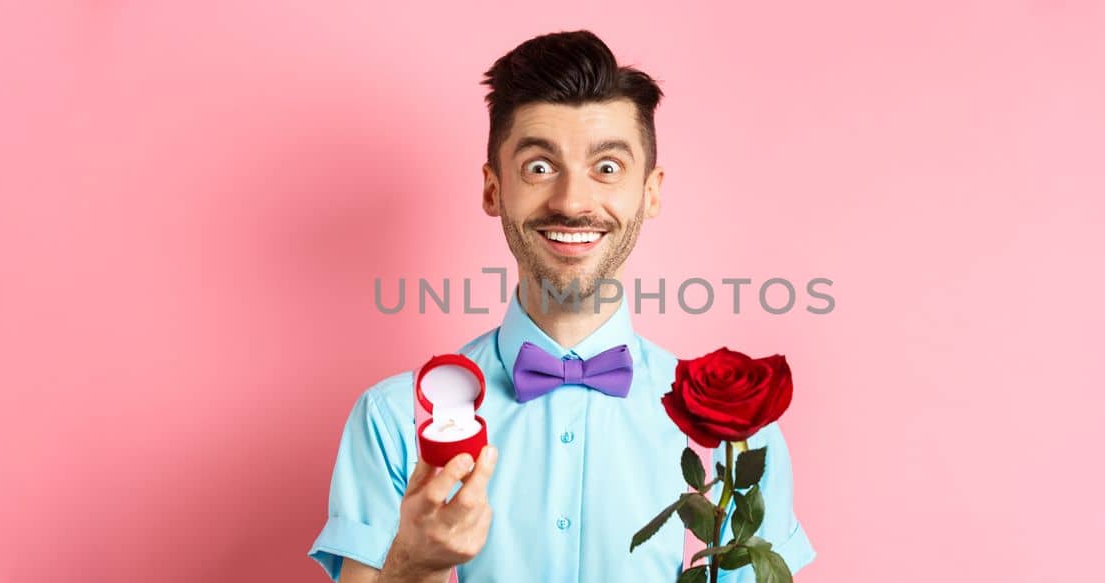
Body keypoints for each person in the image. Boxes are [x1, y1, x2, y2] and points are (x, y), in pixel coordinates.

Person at [308, 29, 815, 582]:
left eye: (608, 167)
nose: (572, 202)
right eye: (539, 167)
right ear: (493, 189)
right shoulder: (393, 421)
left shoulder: (739, 435)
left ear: (651, 192)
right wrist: (414, 564)